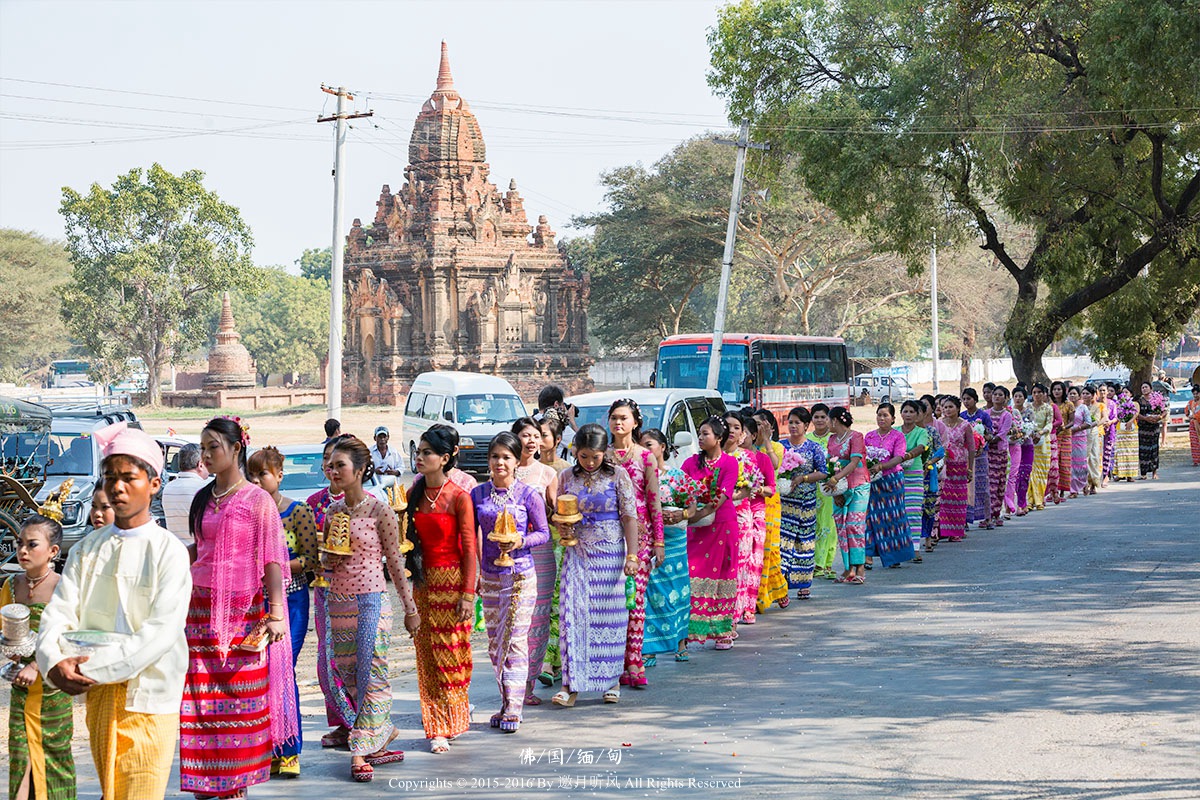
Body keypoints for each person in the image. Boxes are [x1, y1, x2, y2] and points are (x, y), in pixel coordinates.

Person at [37, 423, 191, 798]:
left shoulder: (168, 551)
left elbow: (158, 634)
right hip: (100, 694)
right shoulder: (88, 548)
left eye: (128, 477)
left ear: (154, 484)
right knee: (111, 789)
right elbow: (59, 612)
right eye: (110, 478)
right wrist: (52, 660)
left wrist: (85, 668)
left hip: (150, 696)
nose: (117, 487)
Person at [181, 417, 297, 797]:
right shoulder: (202, 497)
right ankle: (205, 786)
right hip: (199, 612)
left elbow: (273, 560)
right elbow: (198, 550)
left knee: (240, 703)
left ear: (236, 448)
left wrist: (277, 612)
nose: (206, 454)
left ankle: (234, 787)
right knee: (200, 702)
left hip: (243, 615)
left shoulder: (257, 500)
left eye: (213, 446)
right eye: (203, 447)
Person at [316, 435, 416, 782]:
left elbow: (395, 561)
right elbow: (327, 562)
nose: (333, 471)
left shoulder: (380, 510)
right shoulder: (332, 511)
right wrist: (324, 563)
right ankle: (381, 730)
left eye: (340, 465)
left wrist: (409, 607)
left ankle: (359, 750)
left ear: (359, 470)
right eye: (330, 466)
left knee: (371, 672)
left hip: (372, 600)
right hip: (338, 601)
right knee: (341, 675)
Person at [552, 424, 640, 706]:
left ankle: (611, 680)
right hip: (577, 554)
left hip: (610, 555)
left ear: (606, 453)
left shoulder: (618, 476)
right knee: (572, 616)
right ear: (576, 451)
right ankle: (570, 685)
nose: (589, 463)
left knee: (609, 618)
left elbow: (629, 516)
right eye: (584, 456)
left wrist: (632, 555)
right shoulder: (566, 476)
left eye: (596, 457)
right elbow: (560, 513)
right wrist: (564, 529)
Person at [247, 446, 320, 778]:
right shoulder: (246, 512)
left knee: (283, 672)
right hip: (256, 604)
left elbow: (310, 560)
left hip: (291, 601)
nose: (256, 481)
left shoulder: (297, 512)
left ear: (278, 475)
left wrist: (274, 567)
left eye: (262, 474)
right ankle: (268, 748)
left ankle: (290, 749)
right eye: (251, 475)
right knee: (259, 676)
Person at [472, 432, 547, 730]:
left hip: (520, 575)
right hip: (490, 576)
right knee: (495, 643)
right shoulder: (477, 495)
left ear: (517, 462)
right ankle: (505, 701)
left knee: (515, 640)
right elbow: (469, 535)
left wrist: (519, 541)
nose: (500, 462)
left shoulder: (529, 495)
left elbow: (543, 533)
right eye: (495, 456)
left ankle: (515, 707)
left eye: (506, 457)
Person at [408, 428, 477, 750]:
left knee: (452, 656)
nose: (419, 458)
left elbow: (469, 549)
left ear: (445, 459)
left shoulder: (459, 496)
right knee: (428, 657)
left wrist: (467, 594)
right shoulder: (413, 495)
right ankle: (436, 726)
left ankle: (455, 718)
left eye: (427, 453)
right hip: (423, 585)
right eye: (418, 452)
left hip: (452, 585)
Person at [5, 514, 74, 800]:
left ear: (53, 552)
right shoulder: (11, 586)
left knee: (55, 761)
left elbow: (69, 638)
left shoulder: (64, 587)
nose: (22, 551)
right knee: (20, 758)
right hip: (21, 688)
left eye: (32, 545)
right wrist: (12, 664)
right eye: (20, 544)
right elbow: (7, 638)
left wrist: (36, 664)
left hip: (53, 688)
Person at [606, 399, 663, 688]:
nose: (618, 423)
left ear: (635, 422)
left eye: (624, 418)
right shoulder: (601, 456)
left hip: (640, 539)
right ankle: (613, 662)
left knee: (635, 601)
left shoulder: (644, 457)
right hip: (606, 537)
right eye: (614, 417)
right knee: (612, 603)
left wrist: (659, 542)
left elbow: (654, 500)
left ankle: (635, 661)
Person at [508, 418, 558, 707]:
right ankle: (511, 680)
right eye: (525, 435)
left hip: (540, 553)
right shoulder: (504, 470)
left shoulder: (548, 474)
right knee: (515, 619)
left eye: (536, 435)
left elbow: (554, 514)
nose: (531, 440)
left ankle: (527, 683)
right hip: (508, 554)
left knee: (537, 618)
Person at [679, 416, 739, 649]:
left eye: (706, 434)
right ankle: (692, 629)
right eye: (700, 434)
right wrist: (687, 514)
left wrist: (697, 513)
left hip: (722, 525)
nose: (701, 438)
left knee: (724, 574)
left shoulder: (729, 463)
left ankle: (723, 629)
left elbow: (722, 497)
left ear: (719, 437)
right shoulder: (690, 463)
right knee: (694, 574)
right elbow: (680, 489)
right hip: (697, 528)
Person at [639, 429, 691, 662]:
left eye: (649, 445)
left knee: (678, 591)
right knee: (651, 592)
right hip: (649, 540)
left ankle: (680, 640)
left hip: (676, 541)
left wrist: (681, 515)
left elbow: (692, 506)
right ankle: (650, 647)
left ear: (662, 447)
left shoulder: (678, 476)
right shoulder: (638, 477)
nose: (645, 450)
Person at [779, 407, 828, 598]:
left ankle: (803, 583)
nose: (793, 426)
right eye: (790, 422)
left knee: (804, 542)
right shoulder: (780, 446)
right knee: (783, 543)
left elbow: (823, 471)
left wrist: (803, 479)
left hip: (807, 502)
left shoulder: (813, 448)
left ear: (806, 426)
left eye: (797, 423)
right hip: (785, 502)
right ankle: (781, 585)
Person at [536, 416, 570, 683]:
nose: (538, 440)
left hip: (558, 542)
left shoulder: (566, 471)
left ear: (557, 440)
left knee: (556, 604)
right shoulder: (525, 468)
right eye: (534, 435)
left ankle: (549, 661)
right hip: (532, 546)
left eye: (544, 435)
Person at [722, 412, 762, 624]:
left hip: (740, 517)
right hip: (714, 518)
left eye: (736, 427)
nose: (731, 430)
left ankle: (733, 618)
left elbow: (750, 489)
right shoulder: (711, 457)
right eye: (727, 426)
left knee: (739, 565)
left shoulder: (747, 458)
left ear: (742, 434)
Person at [864, 403, 914, 567]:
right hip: (873, 483)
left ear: (893, 418)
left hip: (891, 481)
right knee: (871, 518)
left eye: (885, 415)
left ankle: (894, 556)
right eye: (879, 415)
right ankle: (868, 555)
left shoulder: (898, 436)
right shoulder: (869, 436)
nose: (882, 418)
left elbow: (899, 458)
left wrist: (881, 466)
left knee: (893, 518)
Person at [825, 407, 869, 583]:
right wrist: (835, 490)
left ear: (835, 420)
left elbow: (854, 462)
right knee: (841, 526)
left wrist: (836, 478)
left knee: (854, 524)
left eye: (828, 420)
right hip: (839, 487)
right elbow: (830, 465)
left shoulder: (856, 436)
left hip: (858, 485)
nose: (827, 424)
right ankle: (848, 568)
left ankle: (860, 568)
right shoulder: (831, 439)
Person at [752, 409, 788, 611]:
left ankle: (769, 594)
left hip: (770, 503)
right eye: (755, 423)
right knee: (755, 550)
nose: (757, 428)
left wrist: (766, 441)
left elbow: (774, 465)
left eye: (761, 424)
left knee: (770, 550)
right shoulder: (745, 448)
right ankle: (777, 590)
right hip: (751, 503)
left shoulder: (776, 447)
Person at [937, 396, 977, 541]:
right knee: (943, 498)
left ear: (958, 408)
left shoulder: (965, 425)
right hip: (942, 465)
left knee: (958, 499)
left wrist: (970, 468)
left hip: (959, 465)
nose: (947, 410)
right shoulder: (939, 424)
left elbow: (972, 448)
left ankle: (956, 530)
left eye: (950, 407)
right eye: (945, 407)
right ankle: (942, 530)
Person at [806, 404, 838, 579]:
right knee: (813, 525)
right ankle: (811, 562)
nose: (819, 420)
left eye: (823, 417)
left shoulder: (835, 440)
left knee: (829, 526)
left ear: (829, 419)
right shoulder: (807, 439)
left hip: (829, 488)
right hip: (810, 488)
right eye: (816, 417)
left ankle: (826, 564)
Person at [897, 400, 930, 551]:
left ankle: (915, 547)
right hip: (896, 476)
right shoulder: (895, 431)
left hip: (915, 475)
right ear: (900, 414)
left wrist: (909, 455)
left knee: (914, 512)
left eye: (912, 412)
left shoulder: (921, 432)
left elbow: (922, 447)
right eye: (905, 411)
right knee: (897, 512)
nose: (908, 415)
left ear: (917, 415)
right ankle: (899, 547)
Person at [161, 442, 209, 542]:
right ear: (200, 465)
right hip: (198, 552)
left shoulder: (168, 488)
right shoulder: (204, 488)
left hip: (175, 550)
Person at [960, 389, 992, 525]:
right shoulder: (961, 417)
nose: (966, 402)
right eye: (964, 399)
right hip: (965, 456)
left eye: (969, 399)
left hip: (980, 455)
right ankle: (965, 519)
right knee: (965, 487)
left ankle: (987, 517)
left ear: (975, 399)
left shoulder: (983, 416)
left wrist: (981, 442)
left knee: (982, 485)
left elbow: (990, 433)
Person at [920, 396, 946, 551]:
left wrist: (929, 463)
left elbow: (940, 450)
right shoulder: (901, 432)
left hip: (929, 474)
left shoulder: (931, 431)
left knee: (929, 507)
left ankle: (928, 537)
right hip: (910, 475)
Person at [984, 387, 1013, 529]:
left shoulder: (1007, 415)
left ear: (1006, 398)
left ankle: (996, 514)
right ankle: (987, 515)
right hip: (987, 454)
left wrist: (991, 439)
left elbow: (1003, 433)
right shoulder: (985, 413)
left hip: (1000, 454)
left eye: (1000, 395)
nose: (996, 397)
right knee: (988, 485)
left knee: (999, 484)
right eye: (994, 394)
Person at [307, 434, 348, 530]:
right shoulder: (313, 501)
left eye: (336, 457)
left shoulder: (366, 502)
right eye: (326, 457)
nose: (330, 463)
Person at [1025, 384, 1054, 511]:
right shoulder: (1028, 407)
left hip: (1044, 442)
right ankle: (1030, 500)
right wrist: (1031, 433)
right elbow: (1025, 423)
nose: (1036, 395)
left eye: (1039, 392)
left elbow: (1049, 424)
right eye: (1034, 392)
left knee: (1042, 472)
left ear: (1044, 394)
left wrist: (1040, 433)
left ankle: (1040, 499)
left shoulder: (1048, 408)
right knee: (1030, 472)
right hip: (1030, 440)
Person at [1011, 386, 1035, 516]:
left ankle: (1022, 503)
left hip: (1027, 447)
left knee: (1024, 475)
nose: (1018, 398)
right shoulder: (1011, 412)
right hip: (1014, 447)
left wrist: (1024, 435)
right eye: (1016, 396)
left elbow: (1031, 427)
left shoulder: (1029, 412)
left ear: (1024, 398)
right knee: (1016, 476)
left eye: (1020, 396)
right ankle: (1019, 505)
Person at [537, 385, 578, 459]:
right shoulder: (557, 426)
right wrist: (572, 421)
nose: (563, 409)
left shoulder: (531, 422)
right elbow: (583, 445)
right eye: (562, 405)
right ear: (556, 405)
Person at [1052, 381, 1074, 503]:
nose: (1057, 392)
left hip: (1065, 436)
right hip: (1053, 436)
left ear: (1063, 391)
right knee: (1053, 465)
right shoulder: (1049, 405)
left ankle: (1062, 491)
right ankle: (1053, 491)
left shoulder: (1069, 404)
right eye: (1054, 389)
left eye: (1059, 389)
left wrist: (1064, 427)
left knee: (1064, 464)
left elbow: (1072, 421)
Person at [1067, 386, 1092, 497]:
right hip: (1068, 438)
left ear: (1079, 395)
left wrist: (1076, 429)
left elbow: (1088, 423)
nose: (1072, 396)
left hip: (1080, 438)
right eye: (1070, 394)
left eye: (1074, 394)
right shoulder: (1067, 407)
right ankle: (1073, 490)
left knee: (1080, 463)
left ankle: (1084, 484)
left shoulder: (1083, 408)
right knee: (1070, 464)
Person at [1136, 380, 1163, 479]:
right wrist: (1145, 418)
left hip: (1154, 428)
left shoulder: (1158, 398)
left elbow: (1164, 411)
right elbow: (1135, 413)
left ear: (1151, 389)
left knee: (1154, 449)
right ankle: (1143, 474)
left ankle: (1154, 473)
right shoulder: (1139, 401)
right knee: (1143, 450)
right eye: (1142, 388)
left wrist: (1159, 417)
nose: (1144, 389)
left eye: (1146, 387)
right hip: (1143, 428)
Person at [1112, 388, 1140, 481]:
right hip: (1121, 429)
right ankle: (1120, 474)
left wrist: (1130, 421)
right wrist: (1122, 421)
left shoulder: (1135, 403)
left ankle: (1130, 475)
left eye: (1126, 392)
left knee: (1131, 452)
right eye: (1123, 392)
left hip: (1132, 430)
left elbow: (1136, 413)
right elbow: (1116, 415)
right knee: (1120, 452)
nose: (1124, 394)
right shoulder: (1118, 404)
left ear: (1131, 394)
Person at [1186, 385, 1200, 467]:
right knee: (1194, 442)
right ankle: (1196, 460)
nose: (1195, 395)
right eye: (1194, 394)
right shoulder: (1191, 402)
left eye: (1197, 394)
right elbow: (1187, 412)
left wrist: (1195, 416)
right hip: (1193, 424)